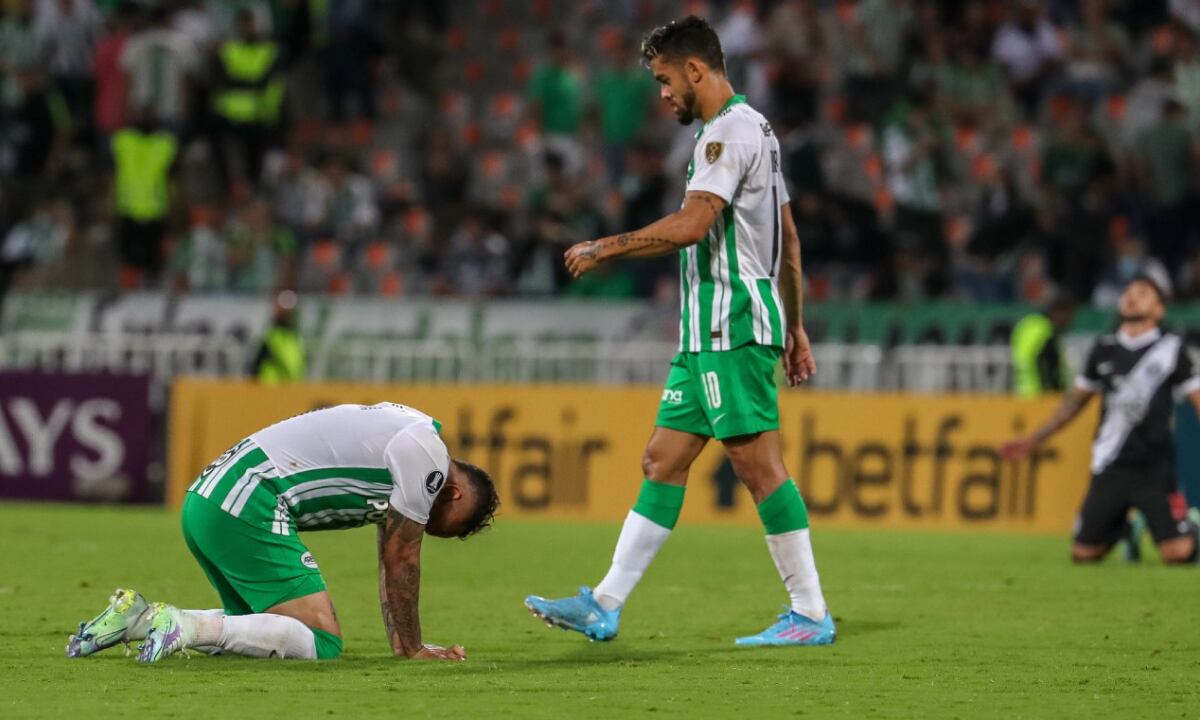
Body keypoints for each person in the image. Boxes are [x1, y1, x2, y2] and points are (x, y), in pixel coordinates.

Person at [524, 16, 834, 647]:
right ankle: (605, 603)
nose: (662, 94)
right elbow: (789, 241)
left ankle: (809, 614)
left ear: (696, 70)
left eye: (665, 80)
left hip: (732, 328)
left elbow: (693, 226)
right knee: (661, 461)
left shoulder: (728, 136)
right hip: (704, 338)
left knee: (759, 468)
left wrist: (606, 246)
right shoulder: (759, 131)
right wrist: (796, 323)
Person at [67, 402, 499, 662]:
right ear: (455, 493)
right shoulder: (427, 456)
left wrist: (407, 645)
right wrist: (414, 648)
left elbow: (391, 549)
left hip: (209, 497)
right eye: (443, 527)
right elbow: (401, 556)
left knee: (260, 628)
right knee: (322, 642)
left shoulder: (410, 427)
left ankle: (139, 620)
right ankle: (182, 625)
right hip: (249, 498)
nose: (426, 529)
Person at [1001, 276, 1200, 564]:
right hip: (1110, 466)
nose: (1132, 297)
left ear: (1158, 310)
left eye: (1143, 293)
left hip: (1155, 468)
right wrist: (1033, 439)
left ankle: (1190, 525)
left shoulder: (1172, 350)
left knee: (1178, 553)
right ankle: (1123, 531)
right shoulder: (1103, 349)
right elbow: (1074, 404)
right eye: (1128, 292)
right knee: (1083, 554)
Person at [1011, 292, 1076, 397]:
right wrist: (1056, 393)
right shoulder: (1047, 331)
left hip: (1022, 394)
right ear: (1058, 311)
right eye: (1070, 314)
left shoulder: (1026, 325)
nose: (1071, 320)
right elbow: (1048, 366)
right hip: (1042, 396)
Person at [252, 291, 306, 383]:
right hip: (271, 386)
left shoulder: (294, 336)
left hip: (290, 387)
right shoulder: (273, 336)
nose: (288, 314)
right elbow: (259, 362)